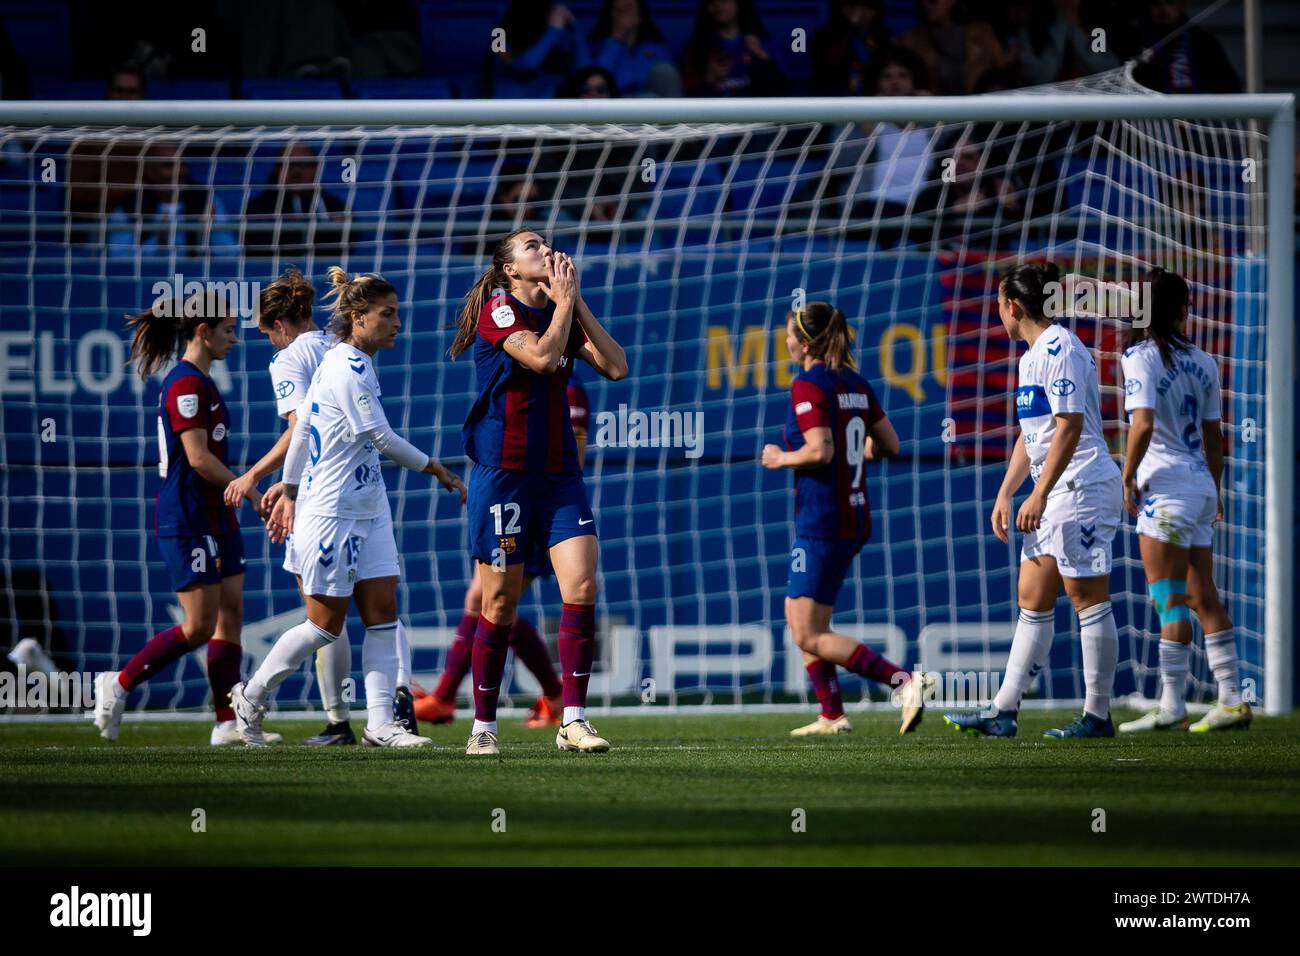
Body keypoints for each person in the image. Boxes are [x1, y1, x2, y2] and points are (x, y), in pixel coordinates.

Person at [231, 269, 466, 748]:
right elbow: (380, 437)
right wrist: (436, 469)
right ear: (357, 317)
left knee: (383, 613)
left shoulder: (351, 358)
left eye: (396, 312)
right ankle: (251, 698)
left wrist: (289, 486)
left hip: (369, 505)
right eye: (387, 314)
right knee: (323, 626)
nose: (398, 323)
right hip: (334, 509)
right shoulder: (345, 367)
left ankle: (381, 725)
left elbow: (302, 430)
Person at [448, 231, 627, 755]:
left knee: (583, 587)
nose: (545, 251)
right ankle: (483, 728)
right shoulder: (500, 311)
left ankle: (572, 720)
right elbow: (545, 360)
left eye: (546, 244)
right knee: (498, 603)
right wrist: (564, 303)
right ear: (509, 269)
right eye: (532, 247)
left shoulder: (560, 314)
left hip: (558, 477)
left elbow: (617, 367)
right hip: (503, 475)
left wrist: (575, 301)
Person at [944, 263, 1123, 738]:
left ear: (1013, 306)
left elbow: (1070, 427)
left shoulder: (1060, 348)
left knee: (1086, 596)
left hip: (1081, 485)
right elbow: (1035, 434)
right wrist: (1007, 491)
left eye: (999, 304)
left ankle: (1098, 716)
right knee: (1032, 595)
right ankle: (1003, 711)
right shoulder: (1029, 358)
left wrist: (1039, 495)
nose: (997, 313)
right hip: (1054, 489)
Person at [94, 292, 279, 746]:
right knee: (198, 624)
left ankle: (227, 724)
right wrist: (250, 489)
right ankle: (117, 685)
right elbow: (197, 459)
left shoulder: (205, 381)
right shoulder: (185, 385)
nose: (235, 338)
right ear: (203, 331)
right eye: (228, 330)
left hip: (217, 515)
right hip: (188, 516)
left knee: (231, 613)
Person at [761, 303, 925, 736]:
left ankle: (903, 682)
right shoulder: (855, 383)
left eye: (790, 336)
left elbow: (820, 450)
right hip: (853, 513)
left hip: (823, 519)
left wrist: (780, 459)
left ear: (807, 342)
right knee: (800, 617)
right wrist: (859, 455)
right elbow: (890, 444)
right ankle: (832, 713)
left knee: (808, 633)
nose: (786, 342)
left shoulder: (807, 385)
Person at [222, 270, 370, 746]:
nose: (269, 343)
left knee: (321, 612)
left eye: (267, 333)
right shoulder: (337, 344)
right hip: (358, 489)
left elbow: (300, 427)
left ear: (280, 324)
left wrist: (260, 478)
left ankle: (260, 698)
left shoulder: (289, 357)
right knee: (351, 608)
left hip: (315, 493)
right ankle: (356, 717)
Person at [415, 375, 591, 728]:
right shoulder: (511, 374)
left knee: (489, 601)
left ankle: (448, 698)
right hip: (509, 496)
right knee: (491, 602)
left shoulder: (566, 385)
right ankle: (551, 694)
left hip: (542, 507)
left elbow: (577, 449)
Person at [1117, 268, 1250, 733]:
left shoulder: (1140, 356)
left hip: (1165, 487)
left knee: (1168, 598)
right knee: (1201, 593)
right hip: (1197, 485)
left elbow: (1144, 424)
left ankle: (1172, 702)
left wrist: (1127, 474)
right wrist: (1213, 488)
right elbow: (1215, 435)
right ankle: (1231, 698)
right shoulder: (1205, 361)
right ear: (1179, 308)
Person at [107, 141, 237, 258]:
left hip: (194, 281)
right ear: (149, 171)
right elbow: (118, 258)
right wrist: (159, 240)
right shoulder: (130, 205)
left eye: (182, 164)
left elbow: (230, 255)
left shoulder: (206, 200)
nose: (179, 171)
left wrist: (211, 231)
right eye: (169, 165)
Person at [243, 142, 350, 259]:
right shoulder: (258, 209)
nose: (297, 171)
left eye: (304, 164)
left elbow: (343, 251)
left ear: (317, 168)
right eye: (290, 164)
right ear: (277, 169)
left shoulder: (335, 207)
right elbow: (260, 251)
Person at [900, 0, 1009, 96]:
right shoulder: (913, 39)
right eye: (922, 1)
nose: (926, 5)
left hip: (980, 109)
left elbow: (1001, 72)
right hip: (935, 112)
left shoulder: (983, 33)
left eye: (932, 1)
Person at [487, 2, 592, 98]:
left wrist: (575, 27)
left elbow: (586, 73)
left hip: (552, 114)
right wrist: (552, 31)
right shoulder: (500, 28)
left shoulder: (558, 31)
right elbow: (524, 66)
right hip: (511, 113)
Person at [680, 0, 784, 97]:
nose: (717, 4)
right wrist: (710, 80)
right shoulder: (696, 50)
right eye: (712, 1)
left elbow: (783, 91)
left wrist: (763, 59)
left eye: (724, 0)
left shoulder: (763, 45)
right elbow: (688, 101)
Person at [586, 0, 679, 97]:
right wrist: (616, 38)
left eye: (628, 7)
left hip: (652, 107)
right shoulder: (596, 46)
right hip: (611, 105)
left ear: (640, 14)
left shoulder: (657, 48)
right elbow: (595, 79)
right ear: (610, 14)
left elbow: (668, 82)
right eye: (618, 9)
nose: (623, 13)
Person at [809, 0, 890, 96]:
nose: (859, 11)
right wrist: (852, 27)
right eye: (853, 6)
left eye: (865, 6)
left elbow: (886, 66)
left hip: (875, 98)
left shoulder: (884, 37)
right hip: (835, 98)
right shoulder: (824, 37)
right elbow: (826, 68)